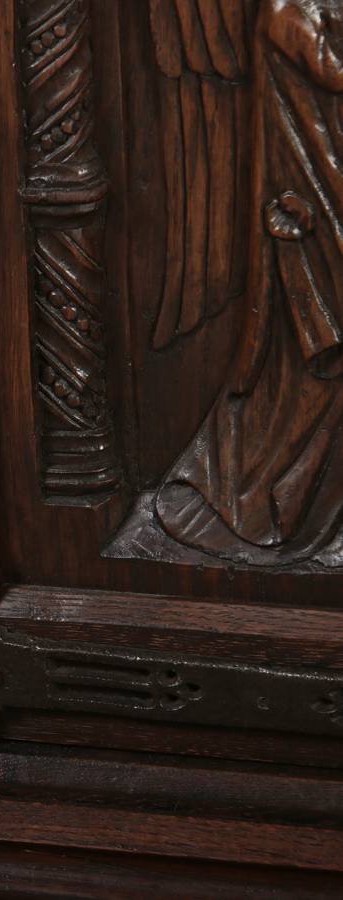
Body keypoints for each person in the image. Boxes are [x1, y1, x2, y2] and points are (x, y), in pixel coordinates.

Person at [156, 0, 343, 566]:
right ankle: (277, 497)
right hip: (313, 209)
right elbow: (330, 70)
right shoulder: (288, 12)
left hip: (327, 188)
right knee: (318, 360)